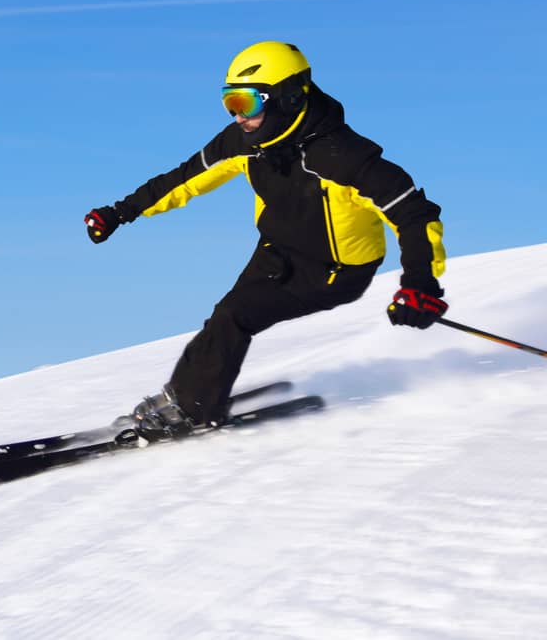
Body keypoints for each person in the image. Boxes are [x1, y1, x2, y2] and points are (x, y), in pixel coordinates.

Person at [83, 41, 449, 440]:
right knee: (226, 315)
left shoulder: (343, 158)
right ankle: (188, 397)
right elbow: (184, 178)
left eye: (247, 102)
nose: (238, 116)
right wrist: (120, 212)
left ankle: (191, 408)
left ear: (288, 97)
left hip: (333, 271)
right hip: (276, 252)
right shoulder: (245, 144)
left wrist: (419, 284)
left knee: (233, 317)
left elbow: (414, 215)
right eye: (230, 103)